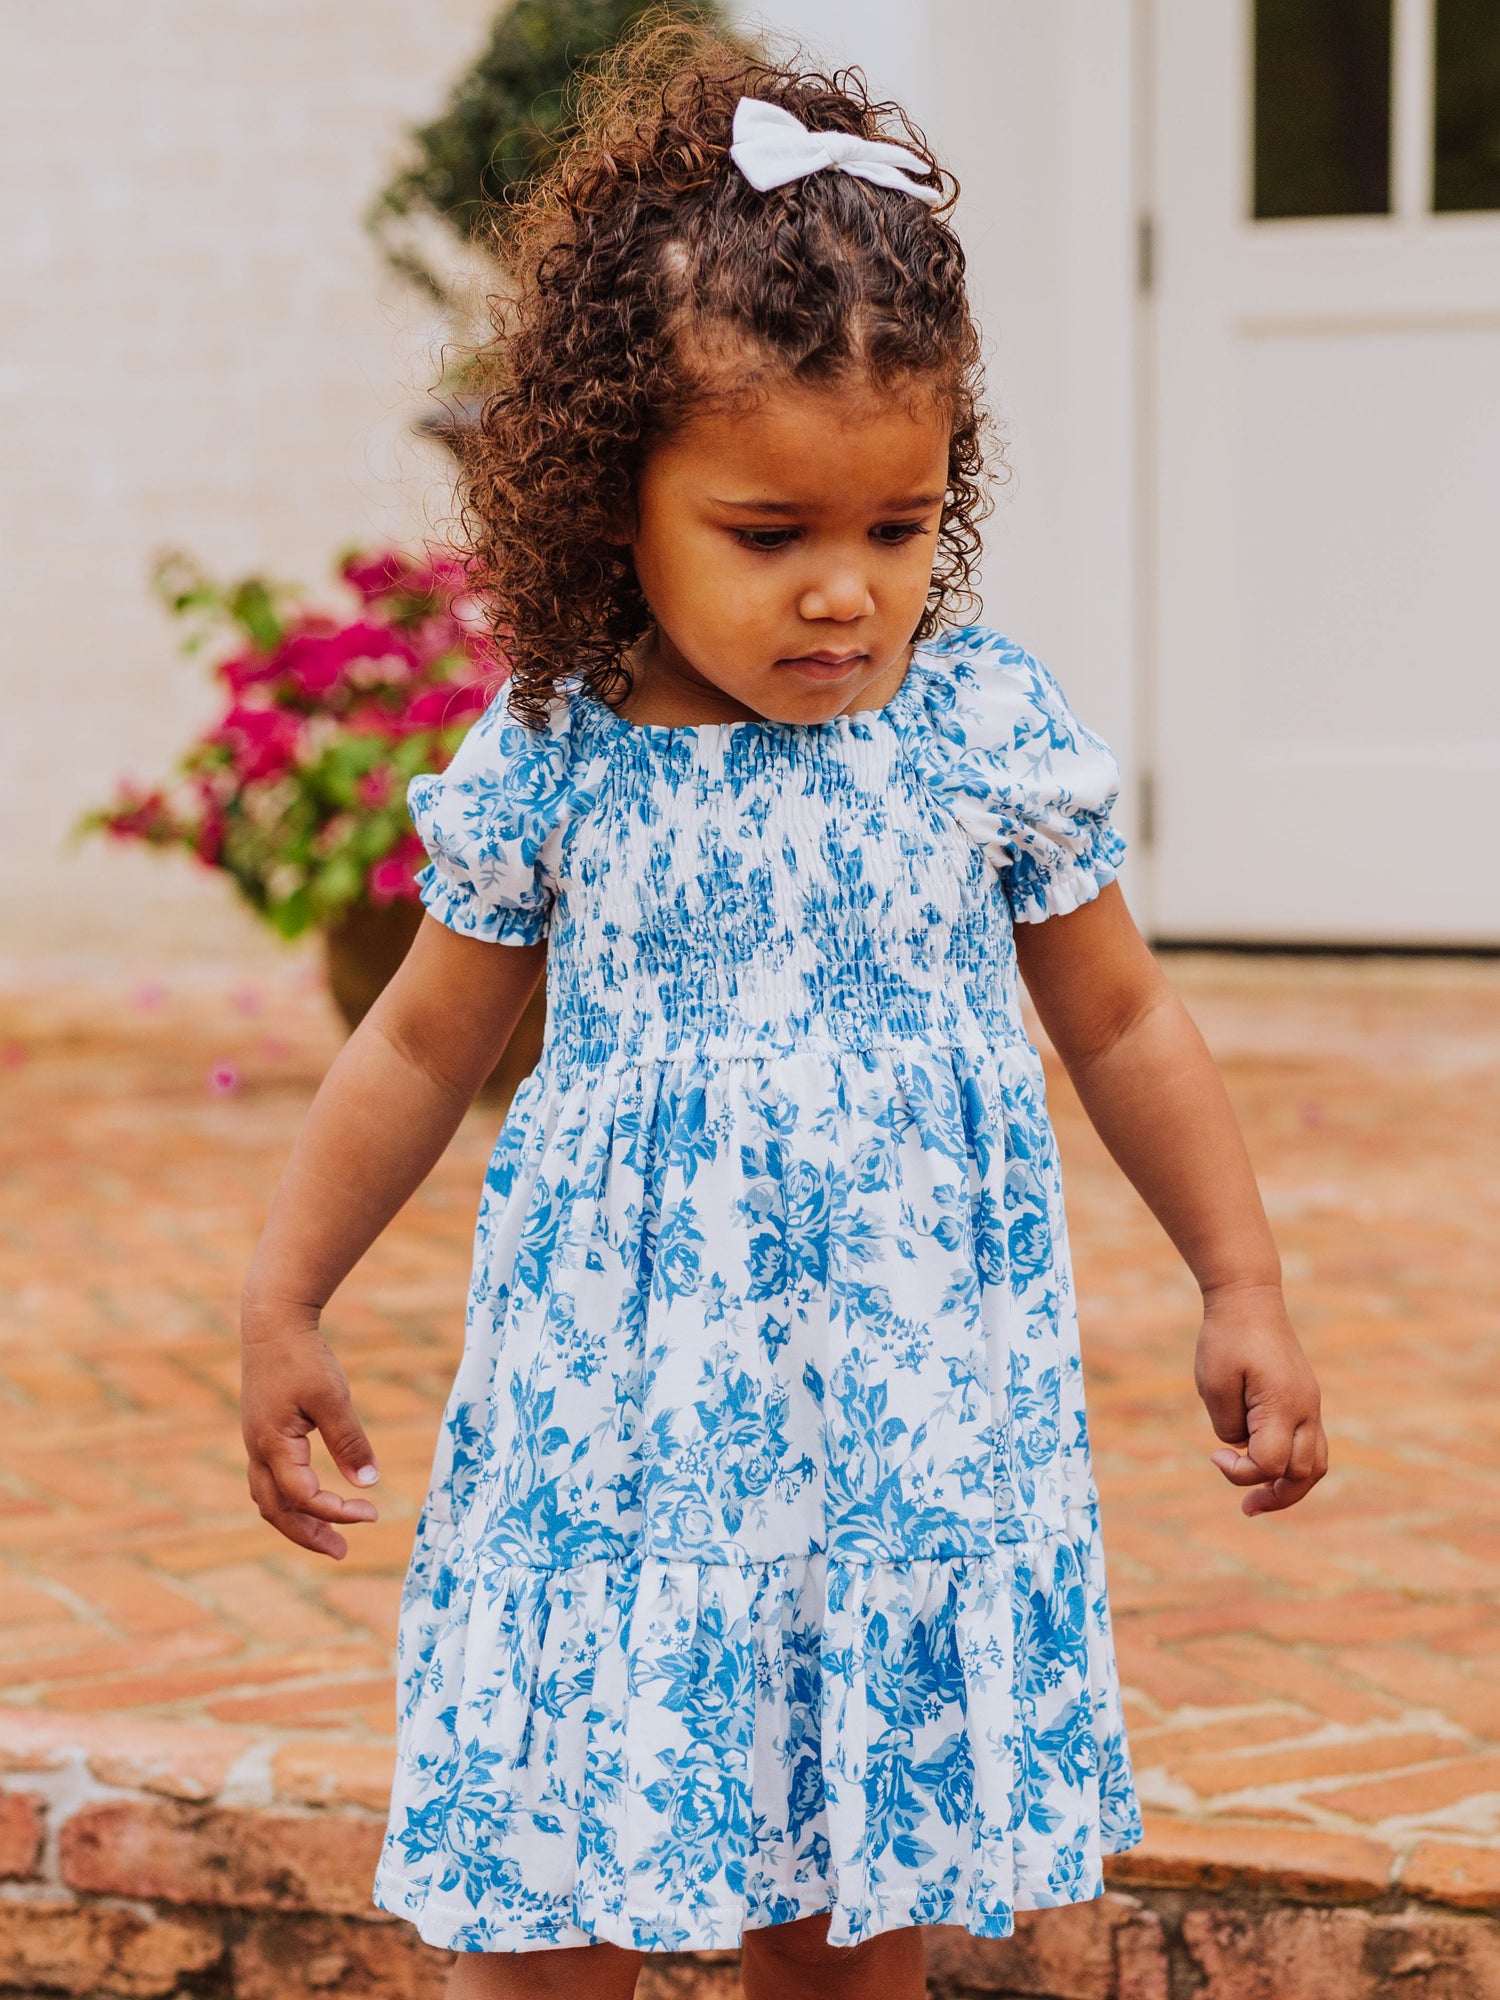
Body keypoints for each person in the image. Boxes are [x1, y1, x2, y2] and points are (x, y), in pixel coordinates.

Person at [240, 24, 1327, 1999]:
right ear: (612, 503)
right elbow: (416, 1041)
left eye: (898, 530)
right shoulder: (561, 747)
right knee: (552, 1901)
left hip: (899, 1430)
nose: (848, 593)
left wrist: (1235, 1276)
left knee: (844, 1917)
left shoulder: (980, 726)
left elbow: (1125, 1021)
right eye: (772, 535)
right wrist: (286, 1292)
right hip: (616, 1431)